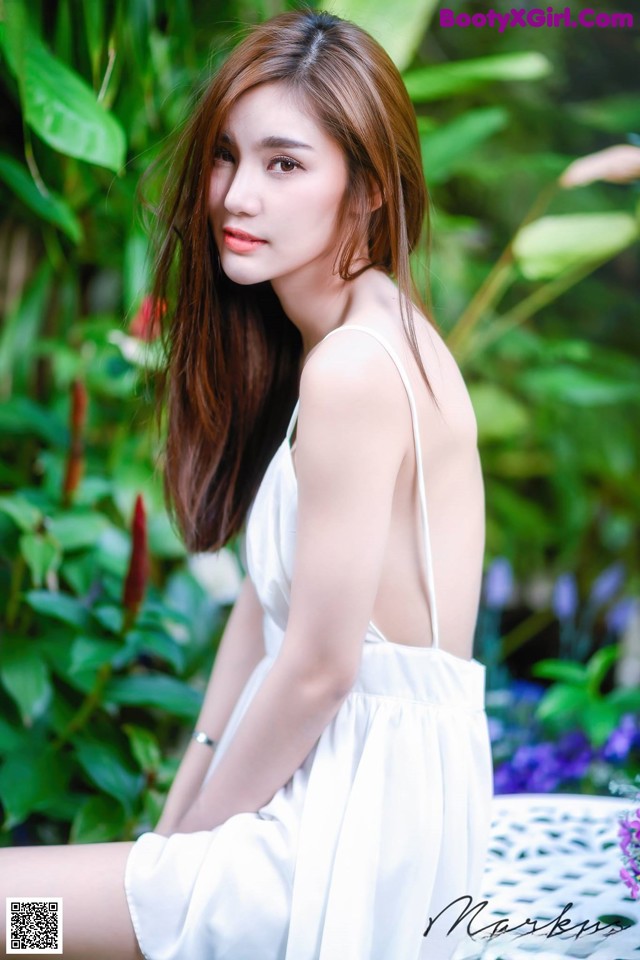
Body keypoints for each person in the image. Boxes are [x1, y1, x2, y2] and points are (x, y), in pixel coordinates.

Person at [0, 9, 493, 960]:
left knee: (16, 921)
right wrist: (183, 799)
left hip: (349, 843)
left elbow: (317, 668)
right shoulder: (357, 329)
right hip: (332, 800)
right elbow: (262, 620)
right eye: (228, 157)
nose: (235, 194)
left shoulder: (353, 368)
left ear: (371, 189)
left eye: (286, 164)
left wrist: (184, 855)